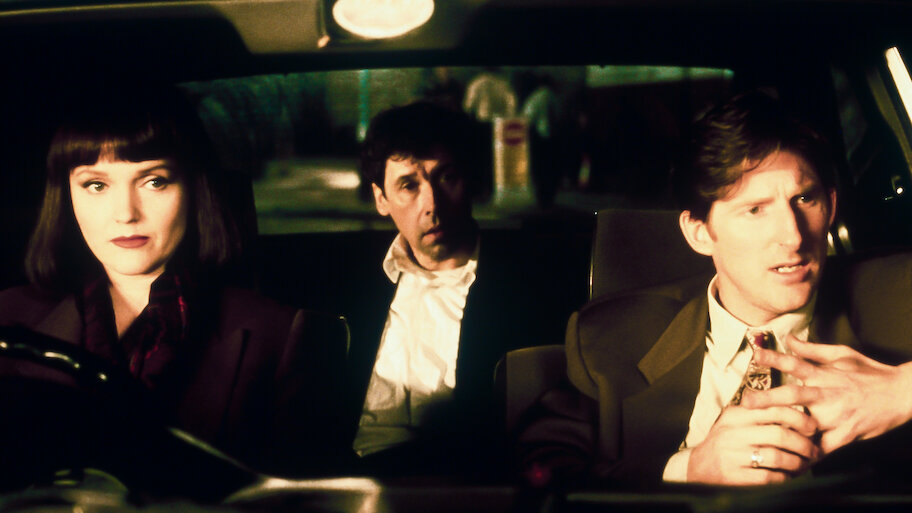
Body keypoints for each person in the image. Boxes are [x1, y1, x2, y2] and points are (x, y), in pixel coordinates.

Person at [515, 91, 912, 488]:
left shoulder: (898, 297)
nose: (793, 237)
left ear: (832, 204)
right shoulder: (612, 339)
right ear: (699, 233)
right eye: (755, 210)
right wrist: (687, 469)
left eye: (805, 199)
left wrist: (898, 391)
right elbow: (536, 471)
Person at [0, 86, 346, 476]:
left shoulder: (281, 336)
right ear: (66, 196)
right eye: (96, 185)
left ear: (195, 189)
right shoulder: (9, 319)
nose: (126, 213)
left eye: (154, 181)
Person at [343, 101, 581, 477]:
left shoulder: (526, 289)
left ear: (471, 182)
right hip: (355, 474)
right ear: (381, 199)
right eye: (409, 186)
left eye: (447, 177)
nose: (431, 204)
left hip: (461, 478)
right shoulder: (355, 286)